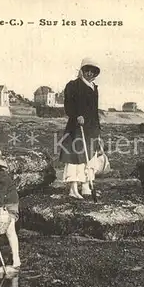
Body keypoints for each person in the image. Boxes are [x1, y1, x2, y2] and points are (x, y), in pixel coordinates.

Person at [59, 58, 102, 199]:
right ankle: (73, 188)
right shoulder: (73, 85)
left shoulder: (94, 88)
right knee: (75, 158)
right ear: (82, 71)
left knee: (90, 158)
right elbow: (68, 105)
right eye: (87, 70)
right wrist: (77, 115)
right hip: (77, 128)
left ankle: (86, 186)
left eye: (93, 71)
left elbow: (94, 111)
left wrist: (98, 131)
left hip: (92, 129)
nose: (89, 74)